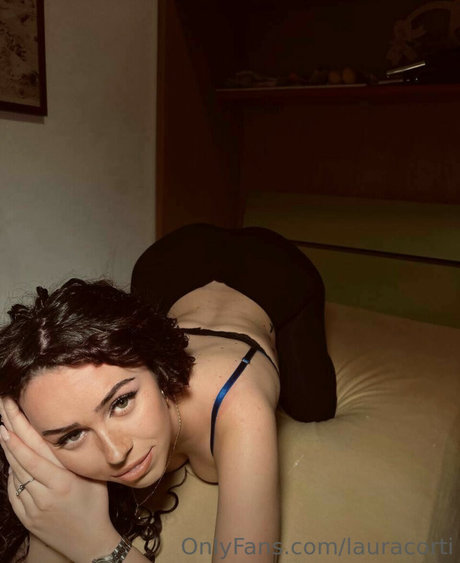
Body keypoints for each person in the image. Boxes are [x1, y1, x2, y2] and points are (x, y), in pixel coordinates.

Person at [0, 223, 336, 563]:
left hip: (274, 271)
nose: (116, 453)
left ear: (156, 367)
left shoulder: (242, 407)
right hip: (169, 267)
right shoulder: (74, 418)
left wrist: (98, 545)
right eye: (72, 435)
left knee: (314, 406)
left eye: (122, 402)